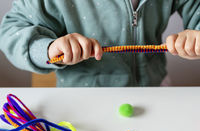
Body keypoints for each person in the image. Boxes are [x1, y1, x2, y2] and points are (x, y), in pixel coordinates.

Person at [0, 0, 199, 87]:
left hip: (155, 87)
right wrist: (49, 49)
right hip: (84, 97)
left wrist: (196, 35)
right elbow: (12, 30)